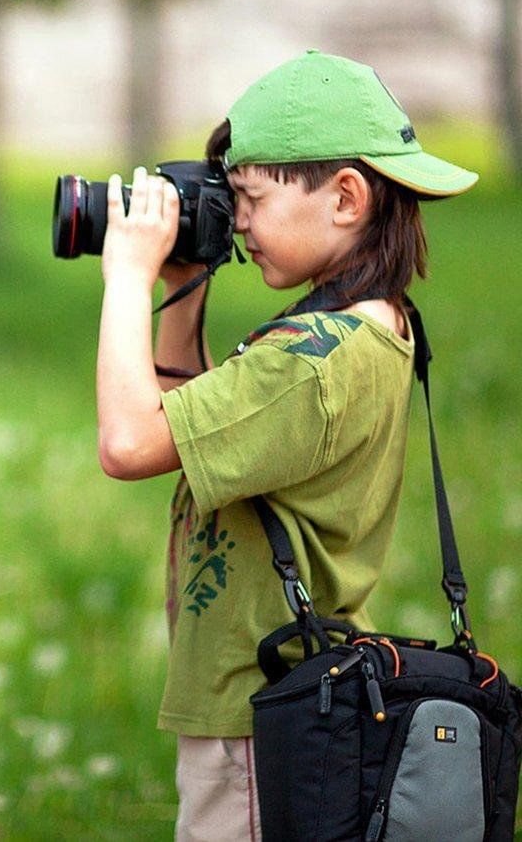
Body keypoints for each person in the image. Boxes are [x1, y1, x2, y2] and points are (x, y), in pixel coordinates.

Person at [93, 50, 476, 841]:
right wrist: (177, 289)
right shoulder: (361, 330)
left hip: (258, 716)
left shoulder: (313, 360)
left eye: (250, 199)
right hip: (279, 690)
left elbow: (130, 442)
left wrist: (124, 277)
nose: (236, 224)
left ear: (344, 198)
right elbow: (192, 428)